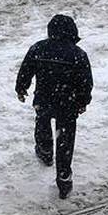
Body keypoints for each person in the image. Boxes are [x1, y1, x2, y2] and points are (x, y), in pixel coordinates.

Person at [16, 14, 94, 198]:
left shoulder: (39, 48)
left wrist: (21, 87)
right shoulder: (78, 54)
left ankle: (44, 150)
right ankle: (64, 177)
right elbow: (86, 82)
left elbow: (26, 69)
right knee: (66, 140)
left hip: (44, 99)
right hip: (68, 104)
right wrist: (83, 101)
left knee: (42, 124)